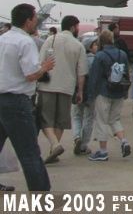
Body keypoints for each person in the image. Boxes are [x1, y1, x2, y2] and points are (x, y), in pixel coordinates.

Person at [0, 3, 55, 190]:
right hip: (16, 101)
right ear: (28, 21)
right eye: (34, 18)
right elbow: (30, 74)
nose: (36, 22)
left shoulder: (3, 38)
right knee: (29, 153)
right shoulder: (25, 42)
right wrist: (45, 67)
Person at [38, 14, 89, 164]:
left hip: (48, 85)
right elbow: (82, 73)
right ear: (73, 27)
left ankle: (55, 145)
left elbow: (40, 62)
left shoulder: (50, 39)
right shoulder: (78, 45)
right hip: (67, 87)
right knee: (61, 120)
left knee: (45, 118)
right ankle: (54, 149)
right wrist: (80, 91)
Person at [86, 30, 131, 161]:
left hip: (104, 91)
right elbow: (126, 73)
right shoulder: (122, 54)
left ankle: (103, 151)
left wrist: (90, 96)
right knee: (114, 119)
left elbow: (94, 77)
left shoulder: (100, 56)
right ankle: (124, 141)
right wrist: (125, 92)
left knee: (101, 121)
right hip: (119, 91)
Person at [71, 37, 98, 155]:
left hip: (77, 90)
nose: (97, 46)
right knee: (89, 117)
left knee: (77, 116)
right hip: (91, 93)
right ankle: (83, 145)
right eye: (95, 44)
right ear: (89, 47)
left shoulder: (78, 60)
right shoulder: (95, 60)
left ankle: (77, 136)